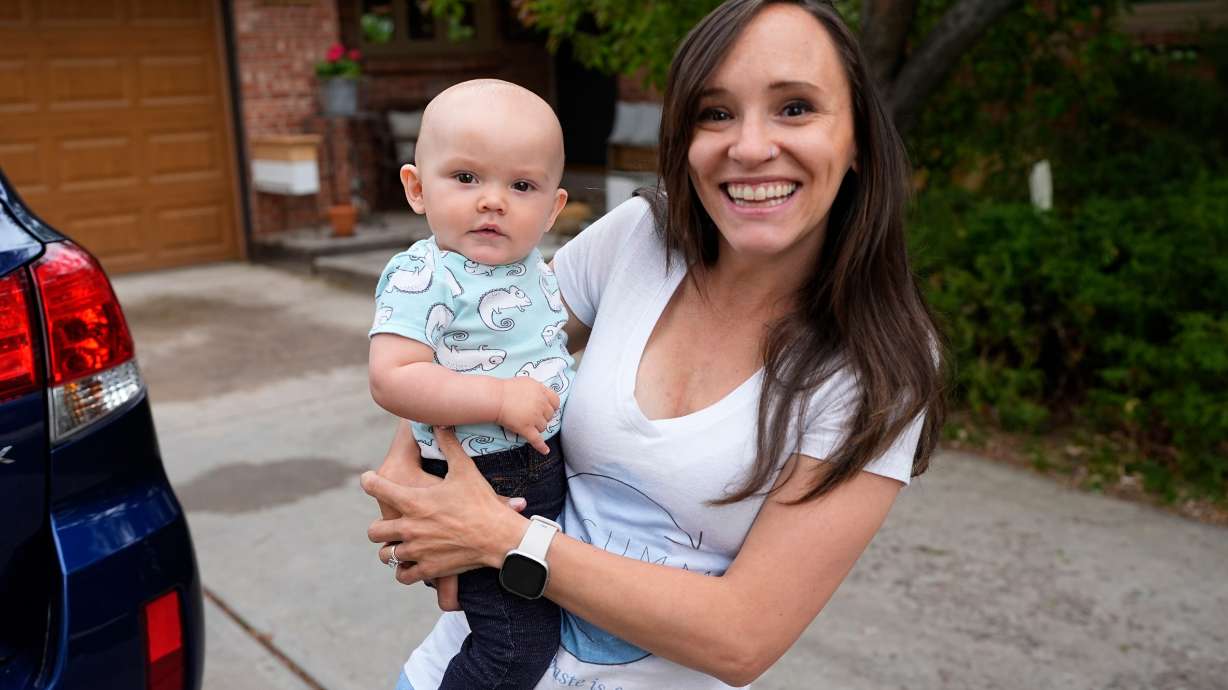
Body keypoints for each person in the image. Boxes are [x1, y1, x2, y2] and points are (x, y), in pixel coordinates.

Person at [364, 1, 947, 688]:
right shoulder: (641, 237)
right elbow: (480, 338)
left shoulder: (878, 369)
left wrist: (501, 539)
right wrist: (414, 469)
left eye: (794, 108)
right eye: (716, 112)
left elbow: (742, 638)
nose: (751, 146)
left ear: (858, 142)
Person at [367, 79, 575, 689]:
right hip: (485, 478)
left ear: (553, 208)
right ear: (416, 188)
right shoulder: (423, 274)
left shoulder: (533, 264)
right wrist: (498, 398)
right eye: (466, 178)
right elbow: (393, 376)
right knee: (515, 643)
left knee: (535, 602)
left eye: (521, 186)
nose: (493, 201)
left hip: (536, 466)